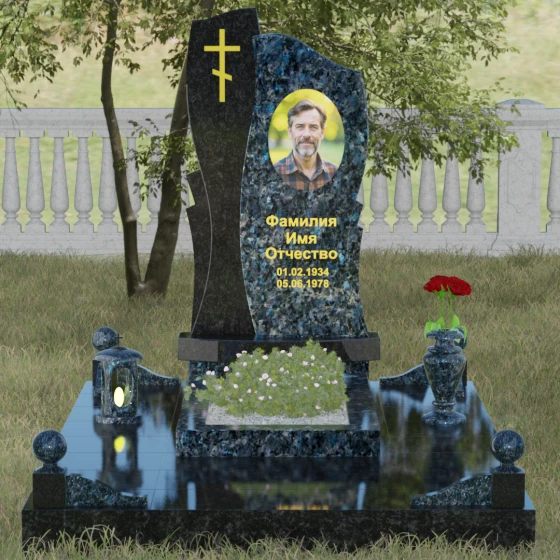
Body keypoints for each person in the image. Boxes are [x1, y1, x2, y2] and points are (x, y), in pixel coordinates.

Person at [274, 99, 338, 191]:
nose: (307, 134)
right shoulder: (273, 173)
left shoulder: (336, 173)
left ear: (322, 133)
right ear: (290, 132)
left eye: (313, 127)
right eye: (300, 126)